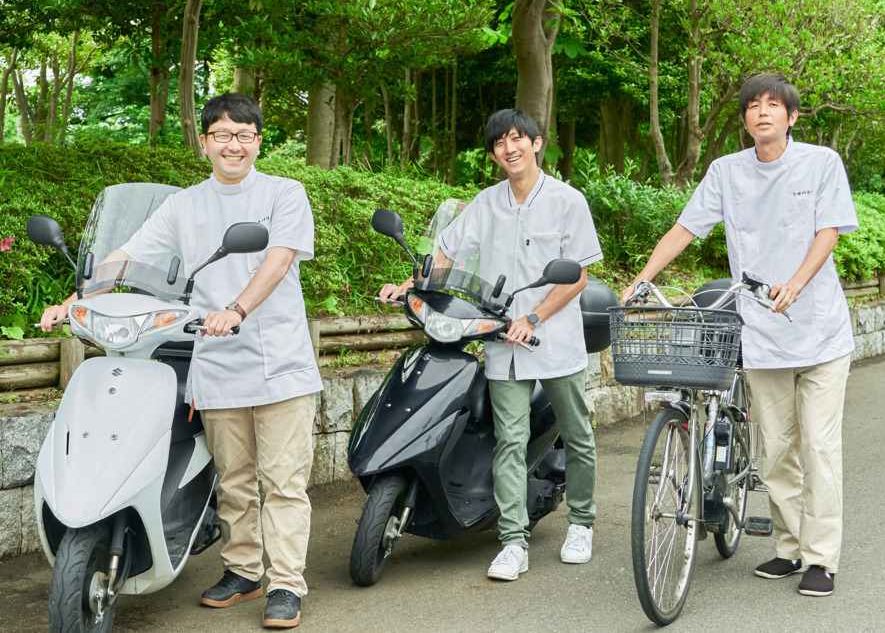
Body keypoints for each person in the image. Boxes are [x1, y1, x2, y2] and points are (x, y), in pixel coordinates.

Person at [40, 92, 322, 627]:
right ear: (205, 142)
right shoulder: (184, 204)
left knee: (282, 480)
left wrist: (237, 308)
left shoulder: (285, 193)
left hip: (276, 359)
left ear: (258, 142)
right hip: (214, 359)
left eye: (243, 135)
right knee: (235, 479)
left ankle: (285, 584)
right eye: (221, 135)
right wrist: (77, 298)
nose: (232, 145)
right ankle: (244, 570)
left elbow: (279, 260)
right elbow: (126, 256)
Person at [622, 73, 858, 597]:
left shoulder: (821, 163)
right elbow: (686, 227)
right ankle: (788, 547)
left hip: (819, 332)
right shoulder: (726, 171)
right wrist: (642, 278)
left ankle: (822, 558)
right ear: (745, 119)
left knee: (818, 447)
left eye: (774, 105)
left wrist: (796, 282)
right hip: (760, 333)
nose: (762, 112)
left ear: (792, 117)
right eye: (753, 106)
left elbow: (830, 231)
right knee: (775, 452)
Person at [380, 109, 603, 581]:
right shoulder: (486, 202)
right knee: (509, 441)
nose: (510, 148)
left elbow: (578, 274)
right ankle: (512, 541)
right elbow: (447, 251)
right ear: (494, 153)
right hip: (502, 337)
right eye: (500, 142)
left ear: (537, 143)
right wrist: (411, 284)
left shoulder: (567, 200)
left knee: (578, 434)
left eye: (518, 138)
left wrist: (535, 315)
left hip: (555, 338)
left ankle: (581, 522)